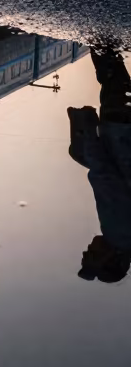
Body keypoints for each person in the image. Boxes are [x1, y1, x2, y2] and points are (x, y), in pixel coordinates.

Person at [68, 46, 131, 284]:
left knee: (115, 74)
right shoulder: (118, 231)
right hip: (121, 131)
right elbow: (105, 176)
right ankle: (99, 26)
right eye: (92, 255)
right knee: (110, 69)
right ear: (112, 258)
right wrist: (87, 133)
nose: (88, 249)